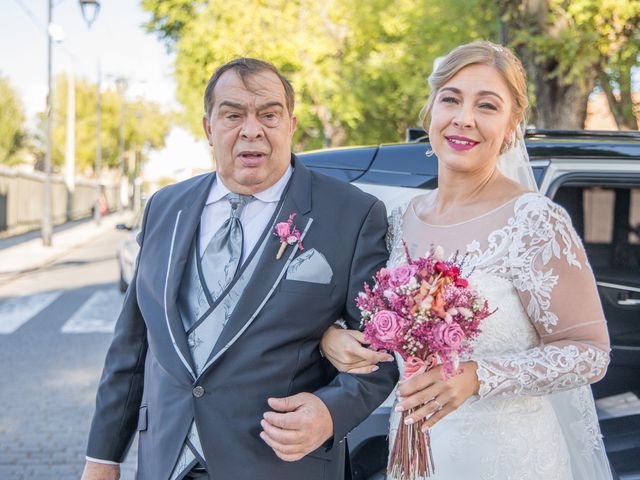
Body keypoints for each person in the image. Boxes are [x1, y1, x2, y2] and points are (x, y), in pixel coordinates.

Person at [81, 57, 398, 480]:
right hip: (166, 461)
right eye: (233, 115)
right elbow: (133, 345)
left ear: (291, 125)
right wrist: (103, 457)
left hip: (280, 465)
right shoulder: (164, 207)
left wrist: (328, 413)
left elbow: (384, 349)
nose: (252, 129)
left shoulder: (353, 214)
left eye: (269, 114)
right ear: (209, 128)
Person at [320, 41, 613, 480]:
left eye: (487, 105)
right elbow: (381, 324)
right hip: (417, 454)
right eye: (451, 99)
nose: (464, 118)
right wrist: (335, 338)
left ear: (512, 126)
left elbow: (591, 353)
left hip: (510, 458)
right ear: (431, 112)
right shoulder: (399, 222)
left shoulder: (534, 222)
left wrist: (479, 375)